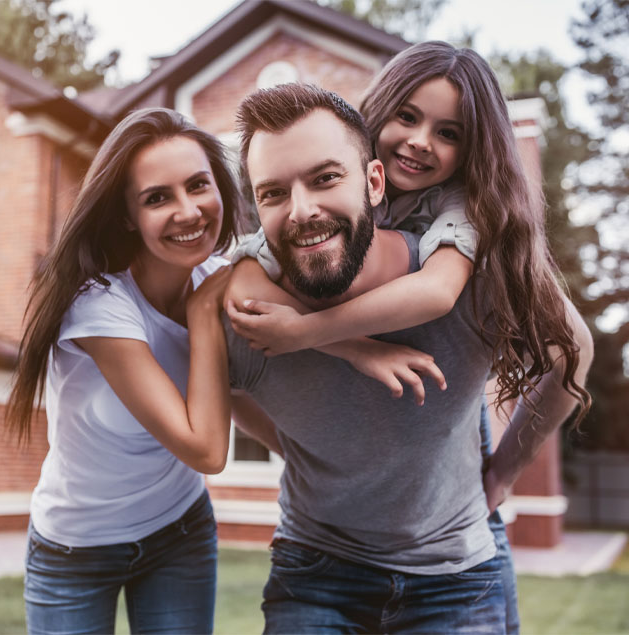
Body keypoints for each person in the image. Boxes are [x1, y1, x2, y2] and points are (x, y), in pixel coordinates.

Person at [202, 80, 593, 633]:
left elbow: (570, 353)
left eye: (325, 178)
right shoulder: (252, 304)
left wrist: (503, 473)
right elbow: (228, 383)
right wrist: (303, 446)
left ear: (373, 181)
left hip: (454, 574)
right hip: (314, 568)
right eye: (273, 193)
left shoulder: (468, 260)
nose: (302, 210)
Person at [5, 107, 277, 635]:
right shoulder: (99, 305)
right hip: (74, 551)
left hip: (179, 532)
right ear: (128, 215)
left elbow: (229, 394)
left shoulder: (220, 277)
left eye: (198, 185)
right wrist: (201, 313)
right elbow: (206, 449)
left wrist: (323, 462)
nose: (189, 211)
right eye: (158, 197)